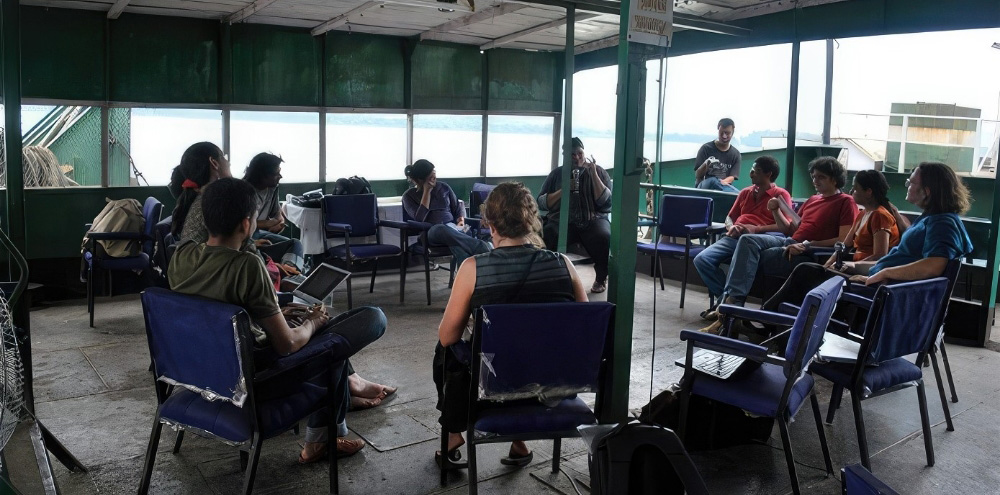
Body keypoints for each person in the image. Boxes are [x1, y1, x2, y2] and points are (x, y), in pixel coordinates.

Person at [167, 178, 387, 462]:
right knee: (365, 323)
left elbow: (215, 307)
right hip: (255, 379)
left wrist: (263, 317)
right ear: (247, 225)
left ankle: (334, 424)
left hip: (200, 372)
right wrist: (313, 323)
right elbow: (286, 345)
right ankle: (322, 437)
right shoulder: (246, 265)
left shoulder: (181, 255)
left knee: (326, 340)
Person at [433, 182, 588, 470]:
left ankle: (453, 434)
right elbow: (585, 327)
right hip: (552, 385)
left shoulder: (472, 268)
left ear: (490, 225)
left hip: (491, 388)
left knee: (447, 349)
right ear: (531, 221)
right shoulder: (563, 264)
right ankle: (518, 441)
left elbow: (447, 337)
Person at [758, 162, 972, 316]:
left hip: (887, 291)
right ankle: (777, 325)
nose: (907, 185)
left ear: (926, 191)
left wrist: (883, 273)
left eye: (910, 182)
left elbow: (934, 266)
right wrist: (854, 265)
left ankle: (771, 323)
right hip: (880, 279)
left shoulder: (943, 222)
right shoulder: (931, 218)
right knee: (808, 271)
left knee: (806, 273)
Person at [701, 157, 856, 332]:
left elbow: (843, 240)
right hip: (788, 241)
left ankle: (730, 309)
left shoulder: (845, 202)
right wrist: (775, 211)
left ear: (834, 179)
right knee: (746, 242)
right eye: (813, 176)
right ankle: (732, 308)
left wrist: (808, 245)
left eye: (821, 177)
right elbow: (790, 230)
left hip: (807, 252)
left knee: (746, 256)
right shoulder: (813, 200)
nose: (815, 181)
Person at [693, 155, 792, 314]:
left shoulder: (781, 195)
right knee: (702, 260)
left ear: (769, 175)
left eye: (756, 171)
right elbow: (730, 217)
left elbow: (786, 227)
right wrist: (733, 227)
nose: (751, 173)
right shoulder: (745, 192)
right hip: (736, 236)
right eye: (752, 170)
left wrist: (756, 229)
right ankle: (725, 303)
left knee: (747, 240)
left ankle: (729, 307)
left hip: (762, 237)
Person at [537, 137, 612, 293]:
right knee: (547, 235)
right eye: (572, 155)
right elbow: (542, 203)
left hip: (593, 219)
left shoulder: (599, 171)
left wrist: (593, 175)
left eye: (579, 153)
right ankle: (550, 278)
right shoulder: (557, 174)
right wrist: (564, 190)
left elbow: (606, 202)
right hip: (562, 221)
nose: (577, 157)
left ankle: (601, 278)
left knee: (603, 236)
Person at [402, 159, 490, 268]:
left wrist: (461, 222)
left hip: (454, 228)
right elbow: (419, 218)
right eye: (430, 176)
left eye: (434, 174)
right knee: (442, 229)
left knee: (460, 243)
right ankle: (481, 247)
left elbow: (458, 208)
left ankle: (462, 278)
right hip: (431, 231)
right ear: (421, 179)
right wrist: (426, 192)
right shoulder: (409, 196)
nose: (434, 178)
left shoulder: (444, 187)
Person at [242, 152, 305, 273]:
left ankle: (290, 270)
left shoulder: (273, 188)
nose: (280, 176)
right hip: (246, 238)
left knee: (295, 244)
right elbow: (242, 222)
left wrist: (279, 221)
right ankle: (289, 274)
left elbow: (277, 213)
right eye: (276, 173)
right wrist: (268, 224)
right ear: (262, 175)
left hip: (260, 233)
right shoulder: (244, 190)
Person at [694, 118, 741, 193]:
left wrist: (721, 183)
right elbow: (698, 175)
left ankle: (740, 196)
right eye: (721, 133)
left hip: (723, 188)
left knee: (719, 183)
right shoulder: (706, 148)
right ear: (718, 130)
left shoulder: (735, 154)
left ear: (732, 133)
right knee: (713, 180)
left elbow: (732, 177)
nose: (724, 136)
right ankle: (739, 195)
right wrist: (706, 164)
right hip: (704, 187)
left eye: (727, 133)